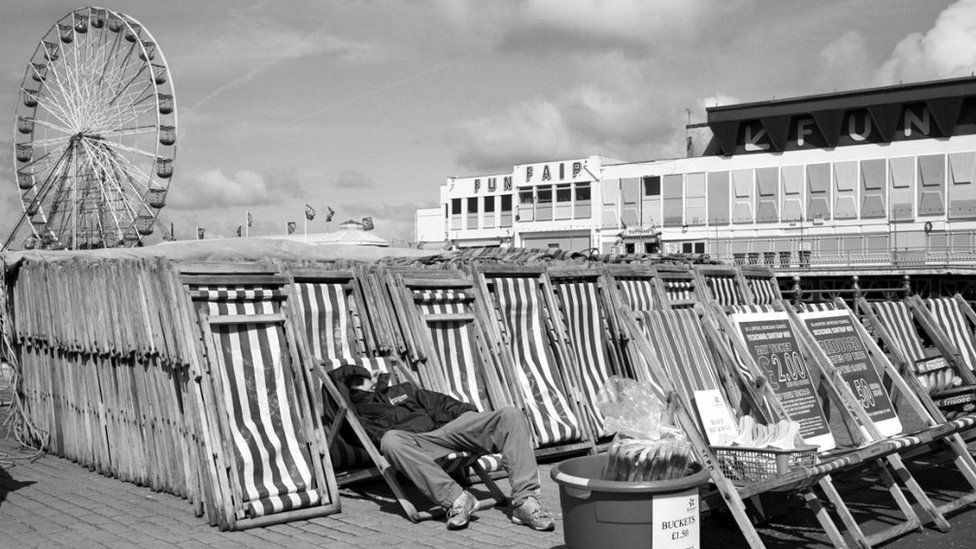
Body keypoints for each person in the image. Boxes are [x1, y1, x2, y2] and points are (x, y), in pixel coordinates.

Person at [329, 364, 555, 531]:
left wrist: (466, 414)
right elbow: (375, 436)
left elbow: (440, 401)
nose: (362, 383)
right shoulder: (358, 412)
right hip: (420, 442)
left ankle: (525, 502)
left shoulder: (400, 391)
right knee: (391, 441)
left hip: (453, 428)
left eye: (364, 378)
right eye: (355, 383)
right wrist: (355, 395)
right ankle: (457, 499)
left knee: (510, 415)